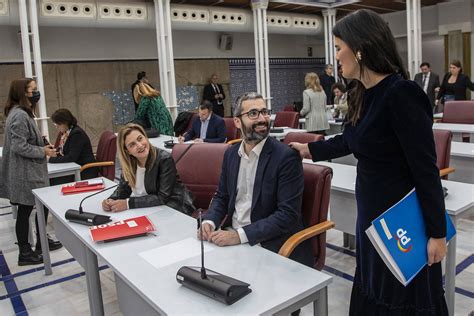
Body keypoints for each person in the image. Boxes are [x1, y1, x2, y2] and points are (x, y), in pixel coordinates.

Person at [290, 10, 448, 315]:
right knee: (374, 293)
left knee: (401, 300)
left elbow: (425, 169)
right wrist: (309, 150)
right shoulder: (363, 93)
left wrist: (437, 234)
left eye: (338, 47)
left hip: (401, 224)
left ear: (360, 48)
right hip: (372, 222)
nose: (335, 56)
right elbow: (351, 140)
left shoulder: (401, 93)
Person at [198, 92, 312, 268]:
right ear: (237, 121)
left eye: (264, 112)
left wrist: (239, 236)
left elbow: (287, 215)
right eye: (253, 114)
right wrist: (209, 220)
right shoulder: (231, 154)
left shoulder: (285, 157)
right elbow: (222, 195)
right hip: (232, 237)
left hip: (268, 243)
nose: (262, 119)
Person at [0, 78, 61, 265]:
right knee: (28, 211)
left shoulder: (21, 113)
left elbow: (25, 139)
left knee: (32, 210)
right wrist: (43, 151)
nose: (36, 93)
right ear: (22, 93)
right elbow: (20, 146)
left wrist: (41, 141)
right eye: (32, 90)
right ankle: (26, 253)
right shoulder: (19, 115)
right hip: (25, 174)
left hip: (27, 172)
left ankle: (41, 243)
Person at [102, 123, 195, 215]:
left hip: (174, 207)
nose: (139, 145)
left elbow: (162, 197)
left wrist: (128, 203)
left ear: (145, 137)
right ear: (127, 151)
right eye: (132, 145)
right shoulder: (129, 165)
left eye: (140, 138)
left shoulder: (164, 159)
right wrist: (110, 200)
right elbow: (124, 189)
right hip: (148, 208)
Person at [49, 109, 99, 181]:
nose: (56, 127)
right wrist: (54, 153)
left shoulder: (76, 134)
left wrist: (50, 159)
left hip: (84, 170)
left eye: (58, 124)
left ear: (65, 122)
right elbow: (65, 151)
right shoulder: (68, 132)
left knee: (52, 180)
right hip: (75, 167)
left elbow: (71, 157)